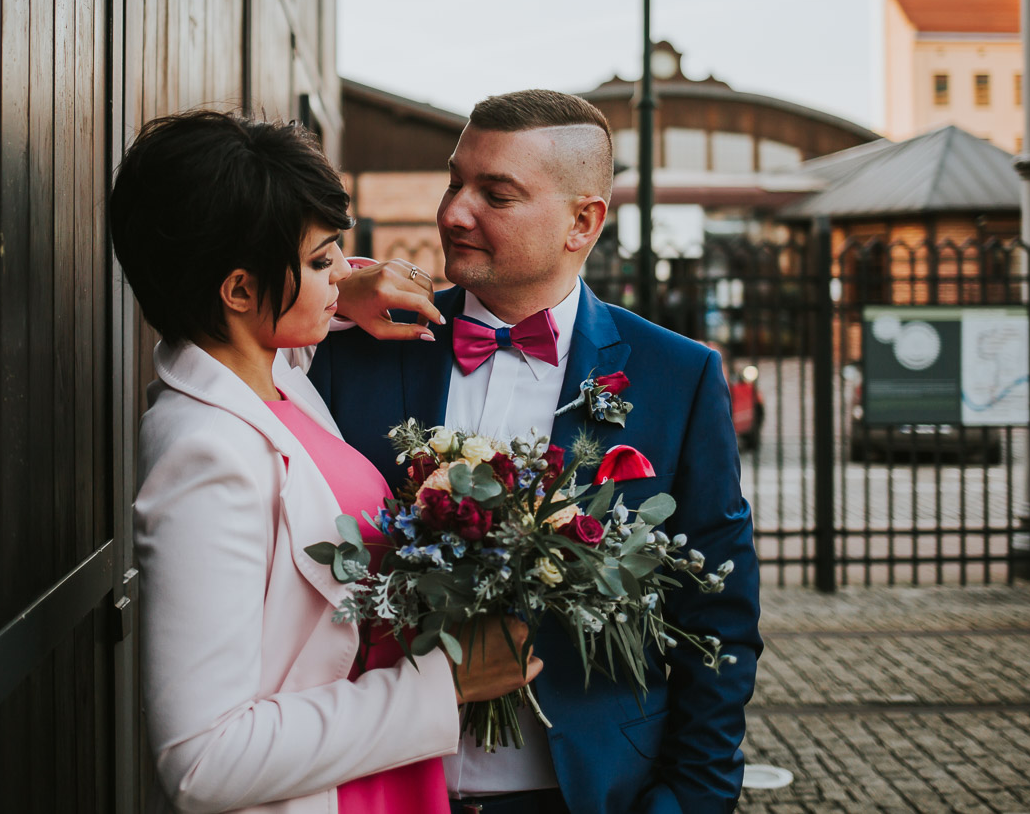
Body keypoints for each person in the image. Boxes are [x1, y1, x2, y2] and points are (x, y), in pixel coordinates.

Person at [308, 91, 762, 814]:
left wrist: (691, 801)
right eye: (456, 181)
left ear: (583, 221)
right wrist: (332, 291)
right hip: (381, 784)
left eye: (497, 194)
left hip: (584, 792)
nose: (454, 211)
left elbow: (719, 615)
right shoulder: (357, 352)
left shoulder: (676, 377)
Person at [111, 110, 542, 814]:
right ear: (241, 291)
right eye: (319, 262)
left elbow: (301, 329)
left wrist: (347, 286)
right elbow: (201, 761)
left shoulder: (270, 375)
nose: (342, 275)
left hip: (373, 778)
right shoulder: (204, 454)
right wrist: (443, 684)